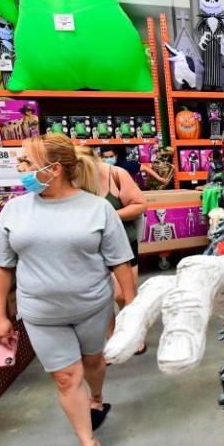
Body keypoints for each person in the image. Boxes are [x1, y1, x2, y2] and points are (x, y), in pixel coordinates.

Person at [0, 133, 136, 446]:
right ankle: (88, 444)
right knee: (66, 377)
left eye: (25, 162)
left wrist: (133, 309)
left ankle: (97, 399)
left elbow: (120, 261)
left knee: (92, 362)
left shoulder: (97, 209)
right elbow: (2, 268)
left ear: (53, 169)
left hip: (91, 307)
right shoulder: (14, 211)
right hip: (40, 313)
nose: (20, 168)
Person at [90, 146, 147, 349]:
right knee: (102, 298)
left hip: (122, 242)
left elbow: (140, 204)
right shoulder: (69, 182)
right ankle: (112, 340)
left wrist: (109, 216)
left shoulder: (115, 174)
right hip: (90, 248)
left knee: (123, 294)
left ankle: (134, 335)